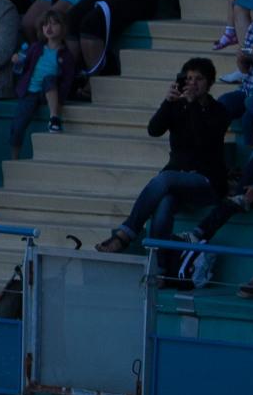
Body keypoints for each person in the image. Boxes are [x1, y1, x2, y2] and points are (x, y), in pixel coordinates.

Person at [99, 56, 233, 254]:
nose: (193, 83)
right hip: (177, 177)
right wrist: (168, 103)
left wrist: (193, 105)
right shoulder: (178, 105)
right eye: (188, 78)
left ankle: (127, 232)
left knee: (165, 179)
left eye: (199, 79)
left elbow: (202, 142)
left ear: (210, 83)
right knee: (165, 201)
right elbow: (154, 130)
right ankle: (159, 266)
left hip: (207, 180)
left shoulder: (219, 111)